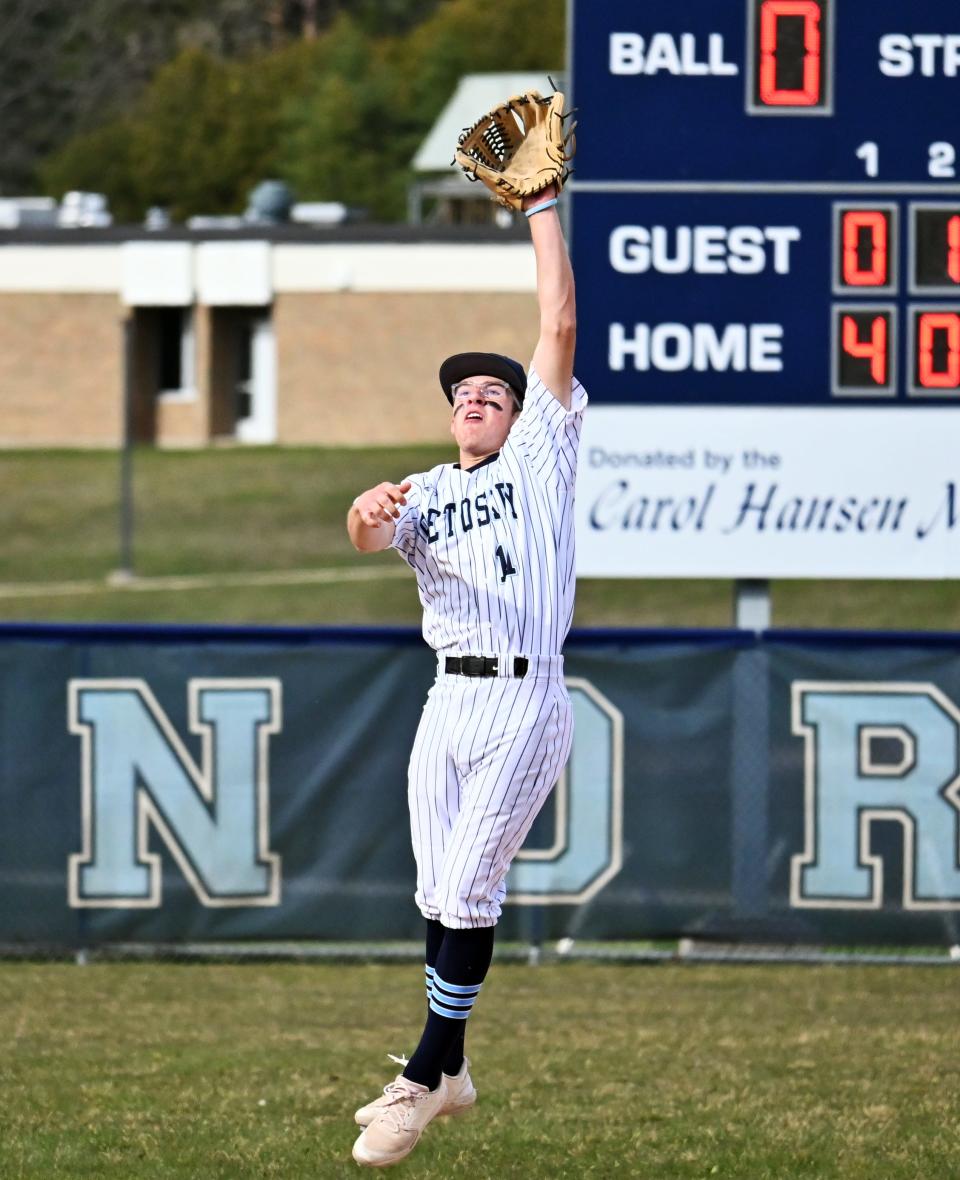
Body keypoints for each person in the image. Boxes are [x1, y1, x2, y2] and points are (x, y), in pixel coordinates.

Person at [345, 178, 586, 1169]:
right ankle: (454, 1073)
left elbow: (559, 318)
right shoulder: (428, 490)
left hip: (526, 692)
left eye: (492, 392)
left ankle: (426, 1069)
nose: (475, 400)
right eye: (463, 395)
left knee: (468, 887)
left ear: (523, 414)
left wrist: (537, 205)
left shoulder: (543, 457)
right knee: (437, 895)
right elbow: (366, 536)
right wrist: (362, 512)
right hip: (449, 696)